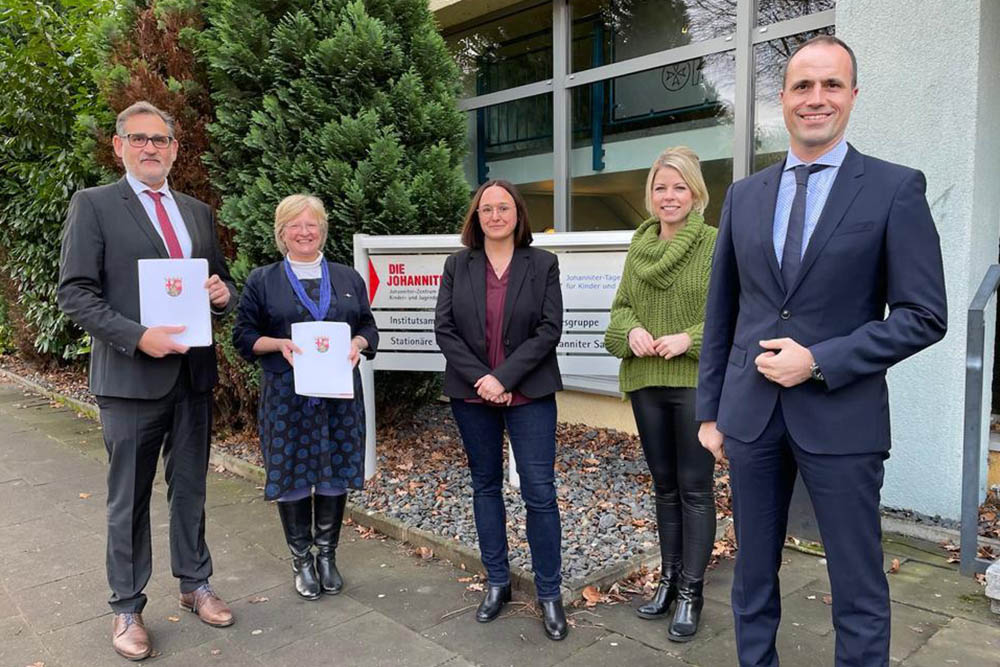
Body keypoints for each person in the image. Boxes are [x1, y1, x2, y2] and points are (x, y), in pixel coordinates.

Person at [696, 36, 947, 666]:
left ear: (853, 95)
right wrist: (710, 411)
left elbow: (924, 315)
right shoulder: (745, 195)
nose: (816, 98)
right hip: (751, 417)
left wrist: (819, 360)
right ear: (781, 100)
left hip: (843, 417)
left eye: (831, 85)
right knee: (752, 575)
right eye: (802, 86)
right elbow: (724, 310)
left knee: (858, 585)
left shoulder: (893, 189)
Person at [58, 101, 238, 661]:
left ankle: (195, 584)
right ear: (120, 146)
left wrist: (222, 295)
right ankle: (127, 607)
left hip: (191, 377)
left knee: (190, 489)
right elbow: (75, 293)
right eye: (138, 138)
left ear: (175, 150)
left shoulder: (196, 212)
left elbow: (217, 282)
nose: (150, 147)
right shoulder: (93, 206)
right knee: (128, 498)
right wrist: (138, 336)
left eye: (160, 139)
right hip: (131, 378)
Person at [434, 180, 567, 640]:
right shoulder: (457, 265)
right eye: (486, 208)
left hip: (529, 393)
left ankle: (550, 593)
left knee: (539, 491)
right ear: (476, 216)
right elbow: (445, 331)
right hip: (473, 394)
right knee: (485, 486)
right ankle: (497, 582)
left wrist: (504, 378)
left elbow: (550, 330)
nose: (495, 215)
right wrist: (484, 380)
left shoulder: (543, 263)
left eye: (503, 207)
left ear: (518, 214)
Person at [232, 194, 377, 601]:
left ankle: (327, 555)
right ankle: (301, 560)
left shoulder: (348, 277)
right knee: (293, 472)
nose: (304, 232)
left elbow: (368, 325)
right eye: (294, 225)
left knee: (334, 472)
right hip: (286, 397)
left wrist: (360, 341)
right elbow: (242, 335)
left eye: (311, 224)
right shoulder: (263, 280)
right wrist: (276, 343)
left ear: (322, 230)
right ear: (282, 233)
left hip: (340, 396)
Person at [605, 146, 717, 641]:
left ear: (695, 194)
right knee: (664, 486)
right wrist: (630, 332)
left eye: (678, 187)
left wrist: (687, 339)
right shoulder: (639, 245)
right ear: (650, 196)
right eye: (660, 188)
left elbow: (727, 317)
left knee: (695, 489)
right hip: (648, 382)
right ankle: (668, 582)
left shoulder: (715, 244)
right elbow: (621, 310)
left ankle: (693, 592)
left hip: (693, 383)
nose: (668, 196)